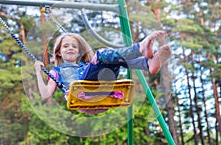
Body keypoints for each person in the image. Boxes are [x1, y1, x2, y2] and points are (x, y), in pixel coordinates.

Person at [34, 31, 171, 114]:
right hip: (83, 94)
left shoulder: (86, 65)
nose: (70, 48)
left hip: (102, 91)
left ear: (79, 51)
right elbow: (46, 95)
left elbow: (97, 64)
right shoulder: (57, 71)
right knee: (101, 54)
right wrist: (38, 72)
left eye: (74, 46)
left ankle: (147, 63)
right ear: (58, 52)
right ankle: (140, 50)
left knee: (111, 59)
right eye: (65, 46)